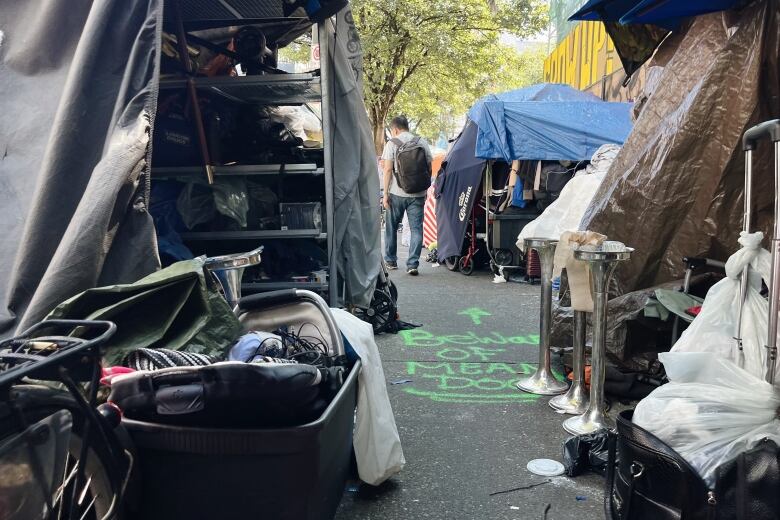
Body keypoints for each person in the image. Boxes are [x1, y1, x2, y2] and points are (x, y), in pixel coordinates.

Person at [381, 116, 432, 276]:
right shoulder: (421, 142)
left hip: (397, 193)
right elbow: (429, 167)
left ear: (394, 129)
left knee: (391, 227)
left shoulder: (392, 144)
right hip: (417, 193)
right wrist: (423, 189)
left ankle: (391, 261)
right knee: (416, 229)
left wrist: (385, 194)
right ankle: (412, 264)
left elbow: (388, 170)